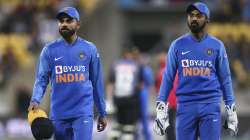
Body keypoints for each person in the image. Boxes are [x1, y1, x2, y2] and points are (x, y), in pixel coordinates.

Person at [153, 2, 238, 140]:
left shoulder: (217, 46)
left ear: (207, 19)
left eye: (199, 15)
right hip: (185, 107)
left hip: (210, 106)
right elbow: (168, 77)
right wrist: (161, 105)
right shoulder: (177, 45)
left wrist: (231, 107)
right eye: (191, 15)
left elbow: (225, 78)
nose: (194, 18)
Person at [28, 7, 107, 140]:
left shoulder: (89, 49)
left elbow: (97, 82)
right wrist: (35, 99)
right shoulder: (49, 50)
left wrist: (102, 112)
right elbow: (41, 79)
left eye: (69, 20)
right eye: (61, 21)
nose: (64, 24)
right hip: (58, 114)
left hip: (82, 113)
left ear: (78, 24)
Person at [107, 44, 143, 140]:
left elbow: (111, 83)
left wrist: (109, 100)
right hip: (131, 99)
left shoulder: (115, 64)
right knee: (129, 127)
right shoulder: (137, 65)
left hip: (118, 98)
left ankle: (114, 136)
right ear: (130, 54)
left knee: (118, 123)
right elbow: (140, 84)